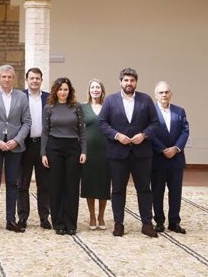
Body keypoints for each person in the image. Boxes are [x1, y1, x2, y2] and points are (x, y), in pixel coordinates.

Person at [98, 67, 160, 238]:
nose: (129, 83)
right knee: (118, 190)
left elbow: (155, 123)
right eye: (126, 80)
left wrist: (144, 135)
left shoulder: (145, 100)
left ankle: (147, 224)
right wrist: (117, 136)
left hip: (142, 153)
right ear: (120, 82)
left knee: (144, 189)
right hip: (118, 153)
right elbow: (102, 123)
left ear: (136, 82)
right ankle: (119, 224)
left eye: (132, 80)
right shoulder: (110, 101)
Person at [0, 65, 32, 233]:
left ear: (14, 79)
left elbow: (27, 122)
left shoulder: (21, 97)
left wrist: (17, 140)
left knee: (13, 183)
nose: (6, 79)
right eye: (3, 76)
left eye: (9, 77)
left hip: (14, 146)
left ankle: (11, 220)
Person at [40, 77, 86, 235]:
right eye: (60, 89)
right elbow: (45, 132)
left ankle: (70, 223)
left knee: (72, 187)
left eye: (65, 89)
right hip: (54, 148)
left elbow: (82, 132)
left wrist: (84, 151)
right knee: (56, 186)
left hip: (73, 148)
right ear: (55, 91)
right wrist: (43, 153)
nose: (62, 92)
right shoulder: (49, 107)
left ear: (70, 91)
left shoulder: (77, 107)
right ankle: (58, 223)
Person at [151, 81, 190, 234]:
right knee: (157, 192)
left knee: (175, 192)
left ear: (171, 94)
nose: (164, 95)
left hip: (176, 159)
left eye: (166, 92)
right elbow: (149, 133)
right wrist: (162, 149)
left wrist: (176, 148)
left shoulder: (180, 111)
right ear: (156, 95)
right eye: (161, 92)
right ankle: (159, 222)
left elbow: (185, 132)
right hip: (157, 159)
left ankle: (174, 222)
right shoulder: (151, 113)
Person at [18, 67, 51, 231]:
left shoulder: (49, 98)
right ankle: (23, 217)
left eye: (37, 78)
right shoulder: (20, 96)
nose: (35, 81)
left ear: (41, 80)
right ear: (27, 80)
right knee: (22, 183)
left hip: (43, 145)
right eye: (32, 78)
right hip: (24, 145)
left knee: (44, 183)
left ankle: (44, 217)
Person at [80, 79, 110, 230]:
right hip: (89, 150)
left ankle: (101, 216)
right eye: (92, 87)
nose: (95, 90)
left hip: (106, 150)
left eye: (98, 87)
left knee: (104, 184)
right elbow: (79, 129)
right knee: (90, 183)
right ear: (89, 90)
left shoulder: (108, 107)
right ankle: (92, 216)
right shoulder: (82, 107)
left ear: (102, 90)